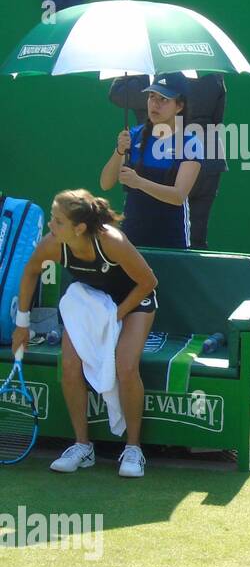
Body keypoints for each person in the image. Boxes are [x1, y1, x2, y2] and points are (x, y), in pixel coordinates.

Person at [11, 189, 159, 477]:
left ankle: (133, 449)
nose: (50, 226)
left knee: (126, 367)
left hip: (134, 301)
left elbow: (148, 282)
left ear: (79, 228)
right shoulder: (52, 245)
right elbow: (30, 272)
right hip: (90, 304)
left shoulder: (112, 242)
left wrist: (114, 316)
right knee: (69, 367)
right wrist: (22, 324)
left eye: (57, 221)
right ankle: (82, 446)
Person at [109, 72, 228, 248]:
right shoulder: (213, 76)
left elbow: (116, 94)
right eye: (152, 97)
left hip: (186, 160)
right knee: (197, 239)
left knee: (182, 235)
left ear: (179, 105)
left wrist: (134, 73)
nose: (156, 103)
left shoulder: (146, 75)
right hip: (210, 160)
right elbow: (218, 119)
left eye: (164, 98)